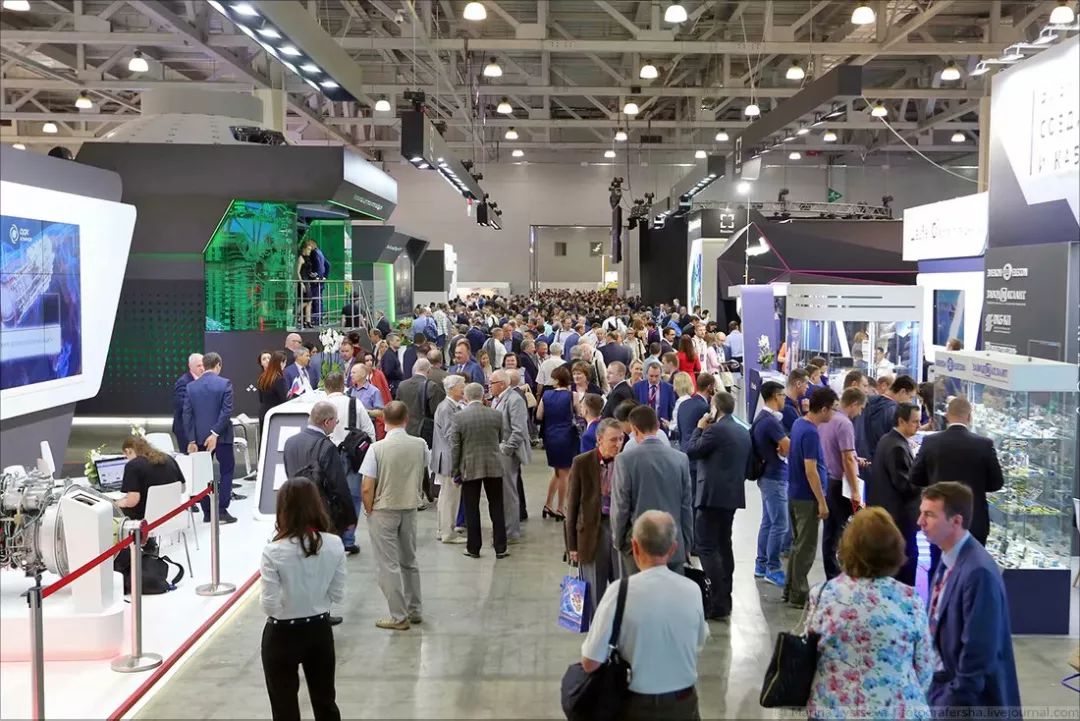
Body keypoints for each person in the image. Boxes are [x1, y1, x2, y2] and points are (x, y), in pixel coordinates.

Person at [805, 507, 933, 721]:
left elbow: (810, 656)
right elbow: (924, 668)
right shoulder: (910, 599)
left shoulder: (822, 594)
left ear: (847, 548)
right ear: (895, 550)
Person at [580, 511, 709, 720]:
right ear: (673, 548)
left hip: (636, 705)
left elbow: (590, 662)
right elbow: (699, 641)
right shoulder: (693, 590)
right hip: (684, 704)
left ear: (635, 547)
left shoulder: (619, 592)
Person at [917, 482, 1021, 717]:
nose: (920, 521)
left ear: (956, 521)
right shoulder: (948, 557)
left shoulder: (978, 573)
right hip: (942, 687)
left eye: (929, 515)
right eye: (921, 513)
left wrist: (949, 704)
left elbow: (978, 655)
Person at [260, 477, 346, 721]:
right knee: (325, 702)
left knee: (284, 708)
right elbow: (338, 594)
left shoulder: (273, 551)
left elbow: (269, 604)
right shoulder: (334, 544)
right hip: (319, 630)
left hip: (281, 634)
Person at [360, 401, 428, 631]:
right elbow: (424, 469)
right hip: (409, 507)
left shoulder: (376, 449)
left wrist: (369, 510)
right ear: (406, 419)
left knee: (388, 565)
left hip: (383, 510)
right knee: (409, 561)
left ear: (384, 420)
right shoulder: (420, 445)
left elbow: (367, 486)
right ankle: (415, 610)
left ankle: (399, 616)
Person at [684, 391, 752, 620]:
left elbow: (692, 450)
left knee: (706, 546)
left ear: (716, 408)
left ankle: (717, 599)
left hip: (711, 496)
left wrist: (699, 428)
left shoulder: (714, 430)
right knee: (724, 544)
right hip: (732, 496)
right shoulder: (742, 430)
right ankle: (726, 595)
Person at [910, 396, 1004, 547]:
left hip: (939, 519)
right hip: (973, 519)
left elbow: (915, 477)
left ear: (947, 416)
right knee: (973, 559)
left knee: (939, 560)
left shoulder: (931, 442)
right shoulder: (984, 444)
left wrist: (935, 481)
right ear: (969, 417)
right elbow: (996, 483)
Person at [612, 405, 694, 575]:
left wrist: (619, 542)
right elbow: (686, 507)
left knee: (637, 591)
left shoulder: (625, 460)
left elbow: (621, 507)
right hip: (673, 545)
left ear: (634, 429)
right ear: (657, 426)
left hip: (638, 549)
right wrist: (686, 544)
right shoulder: (680, 459)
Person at [784, 386, 837, 608]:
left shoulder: (799, 424)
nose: (834, 413)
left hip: (795, 493)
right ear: (824, 409)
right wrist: (822, 502)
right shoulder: (811, 433)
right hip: (807, 498)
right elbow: (811, 470)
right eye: (833, 409)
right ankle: (798, 595)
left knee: (798, 545)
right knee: (806, 548)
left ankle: (790, 589)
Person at [566, 418, 624, 621]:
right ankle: (598, 629)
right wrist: (572, 546)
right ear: (599, 440)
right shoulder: (581, 463)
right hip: (591, 531)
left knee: (620, 586)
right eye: (613, 440)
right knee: (594, 589)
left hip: (619, 530)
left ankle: (618, 628)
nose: (618, 444)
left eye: (621, 439)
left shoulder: (626, 462)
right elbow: (572, 507)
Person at [283, 401, 358, 539]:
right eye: (336, 421)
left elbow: (289, 474)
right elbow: (339, 486)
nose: (336, 425)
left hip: (296, 514)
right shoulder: (327, 447)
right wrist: (350, 518)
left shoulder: (290, 442)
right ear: (327, 422)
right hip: (322, 516)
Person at [450, 383, 509, 559]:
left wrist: (455, 471)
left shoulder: (459, 417)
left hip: (470, 466)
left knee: (472, 508)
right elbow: (501, 437)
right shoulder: (496, 415)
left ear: (466, 397)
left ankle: (474, 548)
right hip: (493, 464)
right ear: (483, 396)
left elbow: (455, 447)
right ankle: (501, 547)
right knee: (497, 506)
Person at [868, 402, 923, 586]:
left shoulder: (888, 439)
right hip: (899, 518)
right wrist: (924, 482)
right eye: (915, 422)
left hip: (889, 515)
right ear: (901, 421)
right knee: (905, 562)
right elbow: (904, 485)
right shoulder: (897, 447)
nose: (919, 426)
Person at [323, 372, 376, 556]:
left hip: (326, 455)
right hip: (352, 457)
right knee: (353, 498)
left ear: (326, 388)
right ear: (342, 386)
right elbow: (369, 432)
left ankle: (330, 538)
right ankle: (348, 540)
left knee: (327, 496)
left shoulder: (320, 406)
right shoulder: (355, 403)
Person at [182, 352, 238, 524]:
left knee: (202, 474)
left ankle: (207, 512)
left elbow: (187, 415)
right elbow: (226, 412)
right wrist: (215, 433)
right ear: (218, 365)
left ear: (204, 365)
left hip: (199, 437)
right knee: (226, 470)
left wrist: (191, 440)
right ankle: (221, 510)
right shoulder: (225, 384)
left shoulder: (191, 387)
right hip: (222, 436)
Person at [818, 387, 867, 580]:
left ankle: (831, 575)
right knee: (843, 531)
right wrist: (855, 490)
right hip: (841, 485)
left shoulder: (827, 420)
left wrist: (854, 458)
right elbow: (846, 458)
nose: (860, 413)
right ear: (854, 404)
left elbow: (839, 452)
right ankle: (842, 574)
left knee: (830, 532)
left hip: (827, 481)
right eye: (860, 408)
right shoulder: (845, 424)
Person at [751, 381, 791, 587]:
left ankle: (761, 563)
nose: (785, 399)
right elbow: (787, 445)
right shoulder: (771, 422)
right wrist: (785, 447)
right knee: (780, 524)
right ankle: (773, 568)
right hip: (775, 477)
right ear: (776, 396)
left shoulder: (760, 418)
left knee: (768, 521)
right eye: (783, 395)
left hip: (767, 476)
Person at [491, 369, 531, 545]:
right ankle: (502, 529)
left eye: (492, 383)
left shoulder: (514, 400)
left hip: (508, 453)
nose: (489, 386)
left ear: (501, 384)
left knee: (509, 493)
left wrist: (506, 449)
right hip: (497, 451)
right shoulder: (496, 399)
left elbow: (519, 430)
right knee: (500, 493)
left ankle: (511, 532)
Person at [537, 366, 577, 521]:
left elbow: (539, 415)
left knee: (557, 472)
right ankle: (561, 507)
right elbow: (579, 413)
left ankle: (548, 504)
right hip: (566, 435)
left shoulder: (546, 395)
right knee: (565, 473)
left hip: (550, 435)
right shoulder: (571, 395)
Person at [116, 435, 185, 521]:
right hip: (171, 515)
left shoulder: (132, 465)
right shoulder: (169, 458)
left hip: (144, 518)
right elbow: (182, 488)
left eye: (125, 456)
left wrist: (117, 503)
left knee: (110, 511)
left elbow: (132, 501)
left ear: (128, 451)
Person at [432, 375, 466, 544]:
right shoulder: (447, 408)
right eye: (462, 386)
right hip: (449, 459)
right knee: (450, 498)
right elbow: (451, 436)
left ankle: (443, 529)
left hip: (445, 457)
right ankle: (448, 533)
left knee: (445, 496)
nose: (464, 389)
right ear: (452, 389)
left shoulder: (450, 406)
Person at [859, 374, 917, 459]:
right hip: (880, 459)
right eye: (910, 397)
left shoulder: (868, 401)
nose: (910, 402)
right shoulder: (893, 411)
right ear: (903, 392)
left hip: (861, 456)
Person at [172, 353, 204, 450]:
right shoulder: (183, 382)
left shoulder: (205, 380)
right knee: (189, 458)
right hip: (186, 431)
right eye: (199, 366)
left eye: (203, 365)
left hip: (201, 431)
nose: (202, 368)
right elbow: (182, 404)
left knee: (204, 458)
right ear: (190, 366)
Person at [632, 362, 676, 428]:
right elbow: (635, 407)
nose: (654, 379)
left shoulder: (668, 388)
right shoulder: (638, 387)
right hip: (643, 425)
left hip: (662, 425)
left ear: (661, 374)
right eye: (651, 376)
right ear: (646, 374)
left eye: (656, 376)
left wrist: (669, 423)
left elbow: (671, 408)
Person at [257, 351, 290, 436]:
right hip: (276, 416)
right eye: (284, 363)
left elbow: (261, 398)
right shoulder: (279, 379)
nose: (285, 365)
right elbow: (285, 399)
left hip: (264, 413)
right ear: (280, 363)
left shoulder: (263, 377)